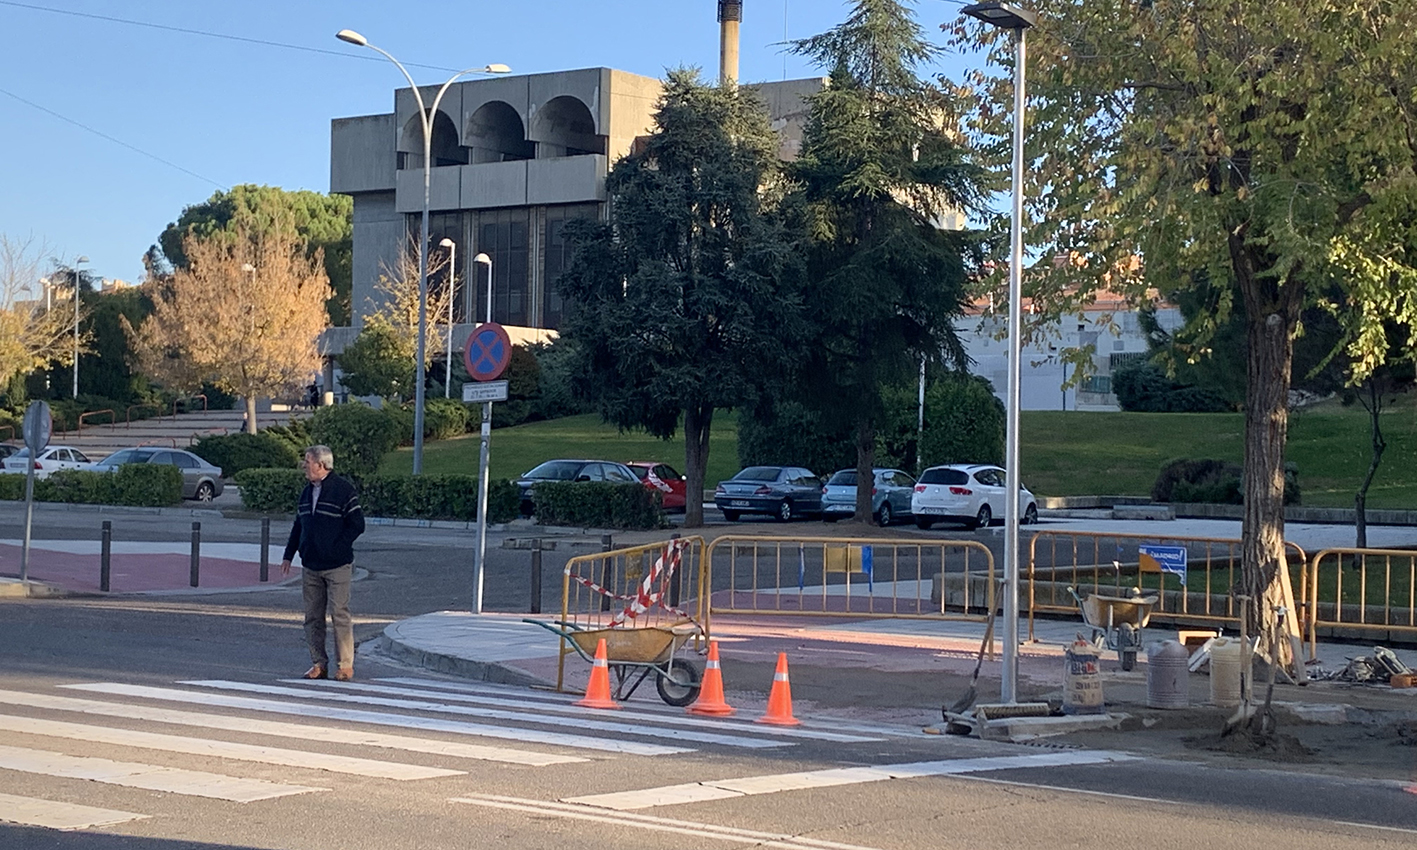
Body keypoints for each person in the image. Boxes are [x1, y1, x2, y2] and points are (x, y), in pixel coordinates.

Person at [281, 445, 365, 681]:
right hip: (311, 565)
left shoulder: (343, 490)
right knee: (313, 617)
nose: (304, 466)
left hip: (337, 565)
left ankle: (345, 665)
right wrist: (289, 554)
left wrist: (338, 545)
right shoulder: (306, 492)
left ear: (321, 465)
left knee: (339, 613)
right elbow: (299, 525)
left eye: (308, 462)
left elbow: (357, 524)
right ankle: (319, 663)